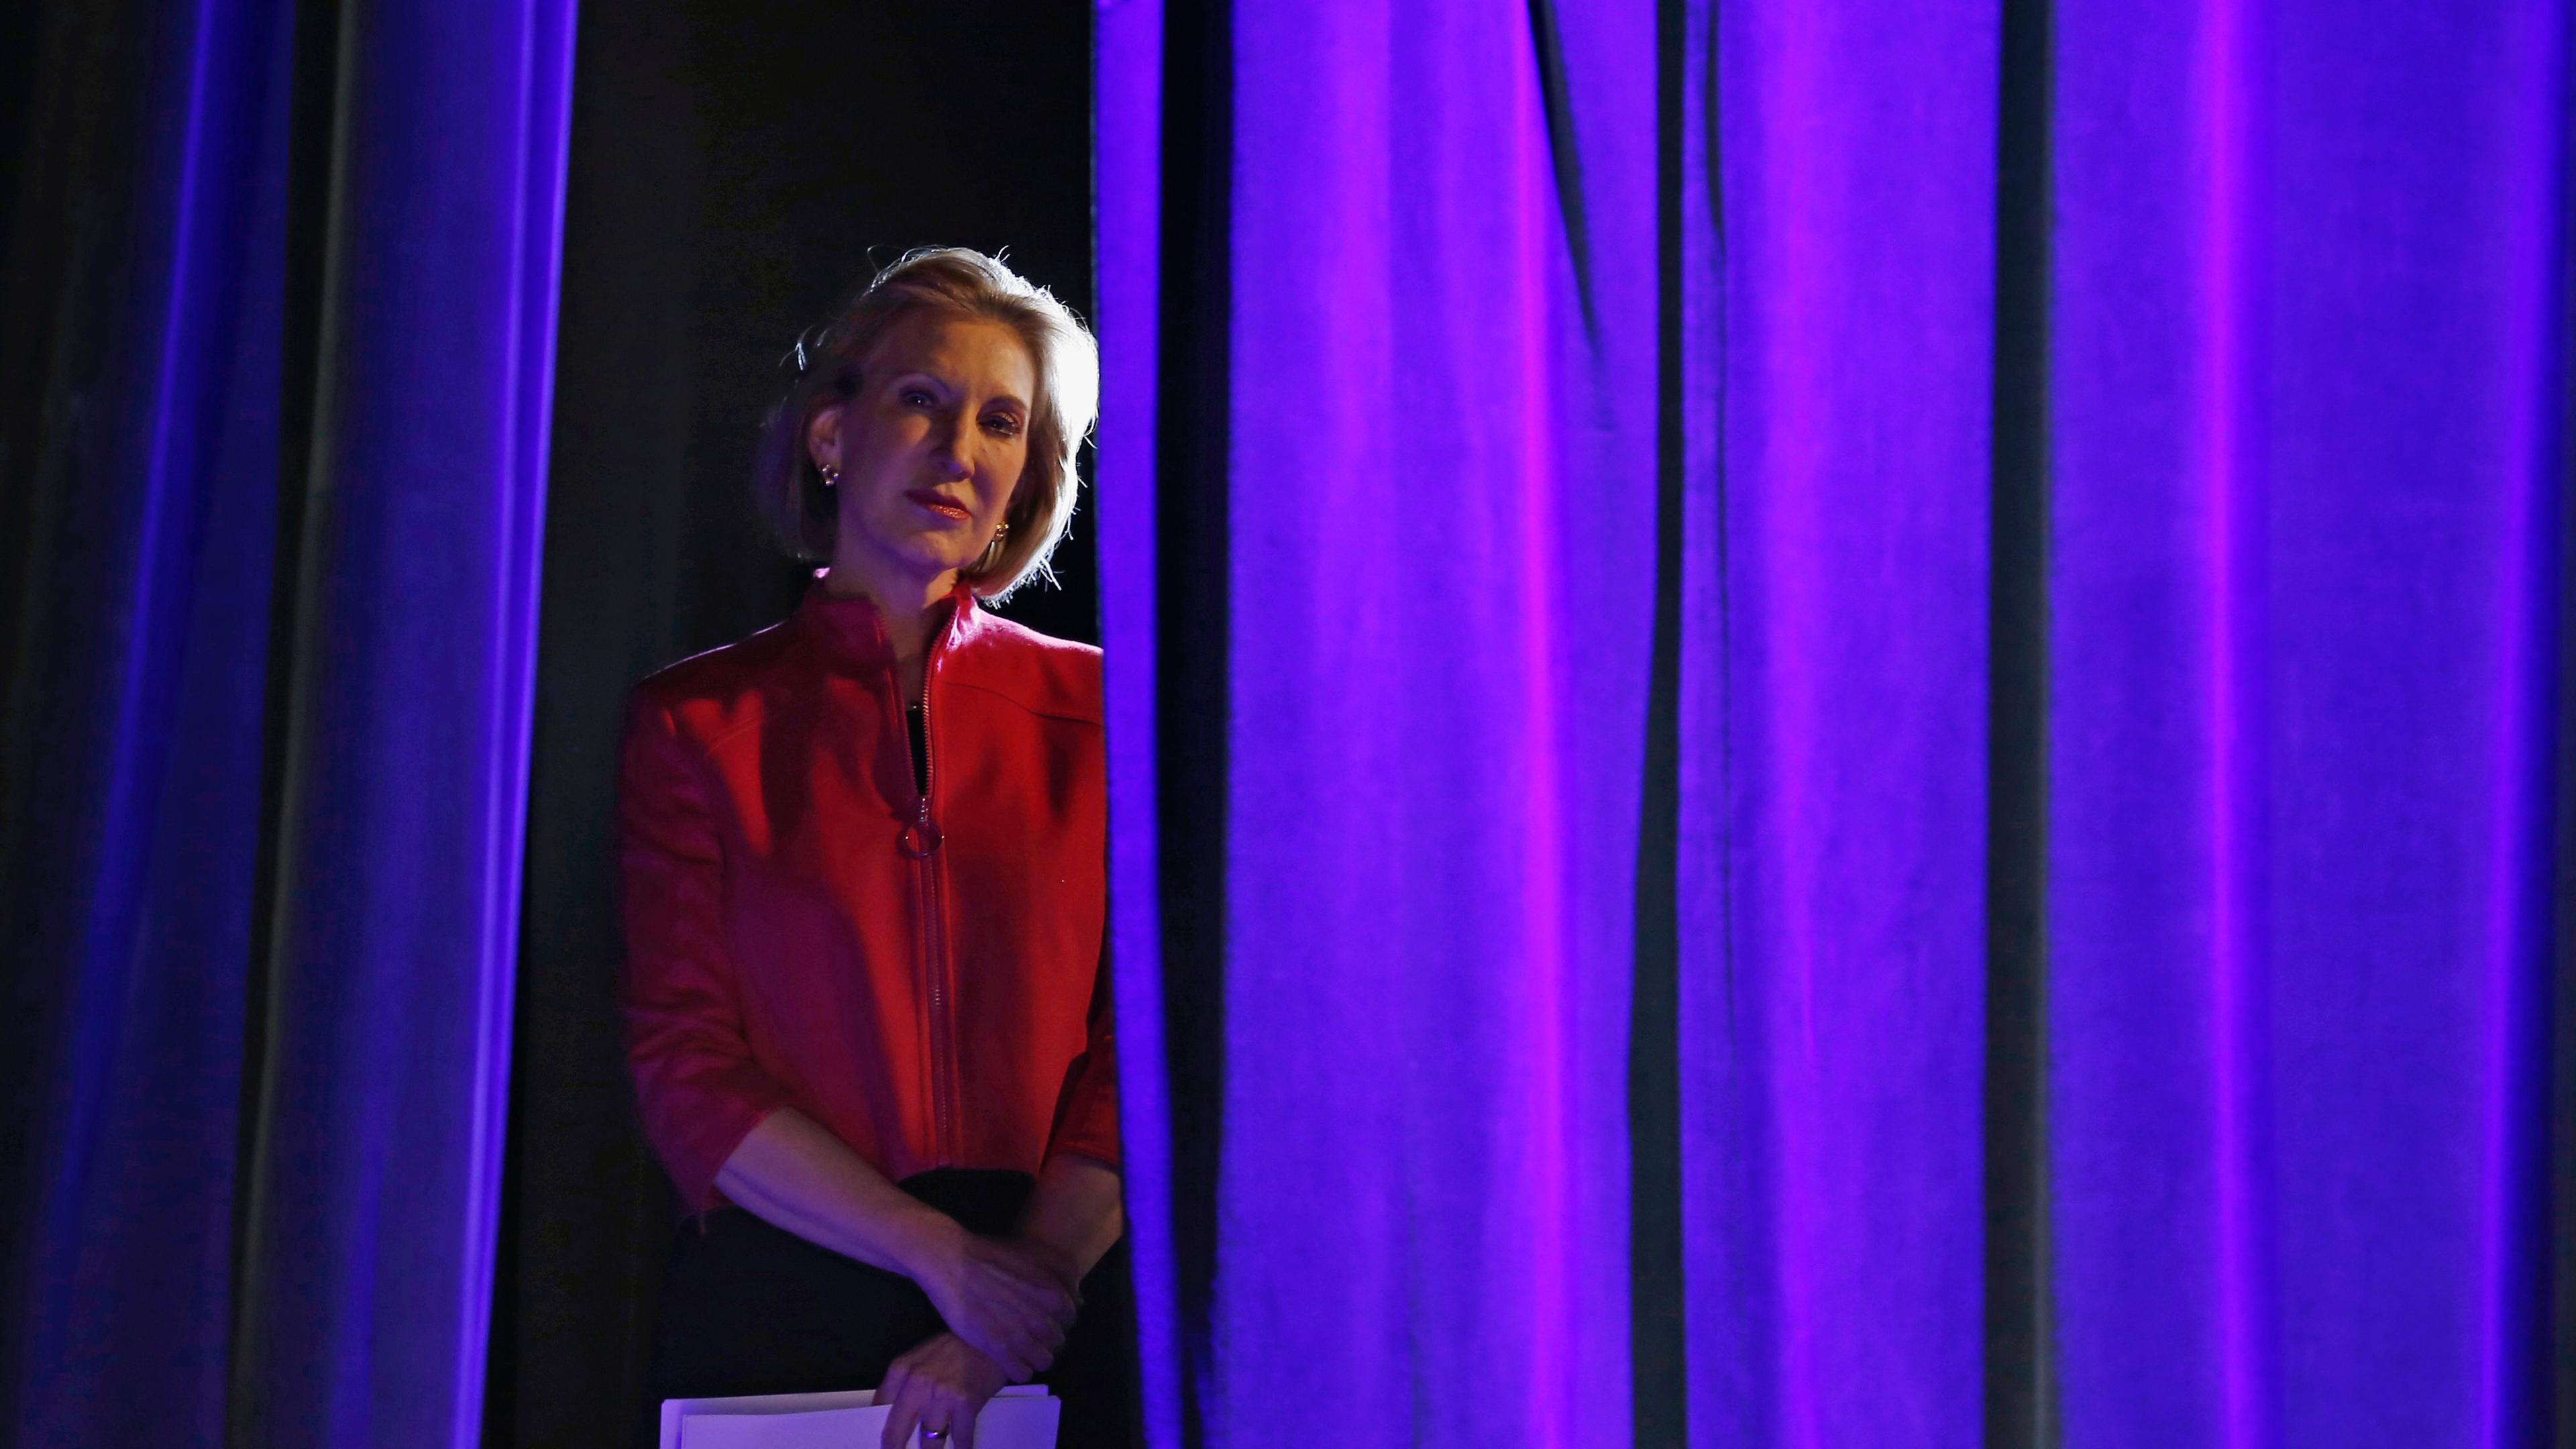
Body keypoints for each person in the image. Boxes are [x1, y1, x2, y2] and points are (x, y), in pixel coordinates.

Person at [619, 248, 1128, 1449]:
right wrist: (944, 1262)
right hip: (786, 1302)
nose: (961, 448)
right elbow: (684, 1071)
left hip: (1055, 1304)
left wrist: (1020, 1290)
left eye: (1002, 421)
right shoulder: (698, 722)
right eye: (923, 399)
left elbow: (1140, 1051)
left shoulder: (1109, 716)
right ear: (831, 434)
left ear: (1026, 481)